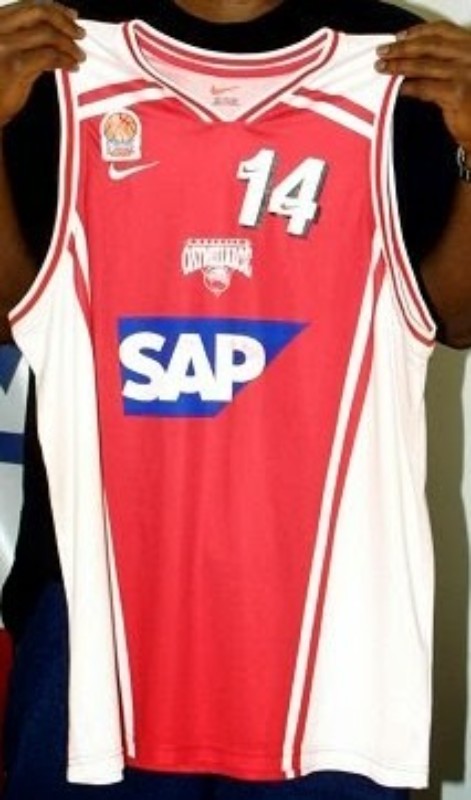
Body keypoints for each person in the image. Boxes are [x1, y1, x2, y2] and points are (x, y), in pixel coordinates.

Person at [0, 1, 470, 799]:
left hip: (333, 635)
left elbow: (451, 318)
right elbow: (15, 310)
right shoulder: (59, 58)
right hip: (97, 607)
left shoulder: (398, 67)